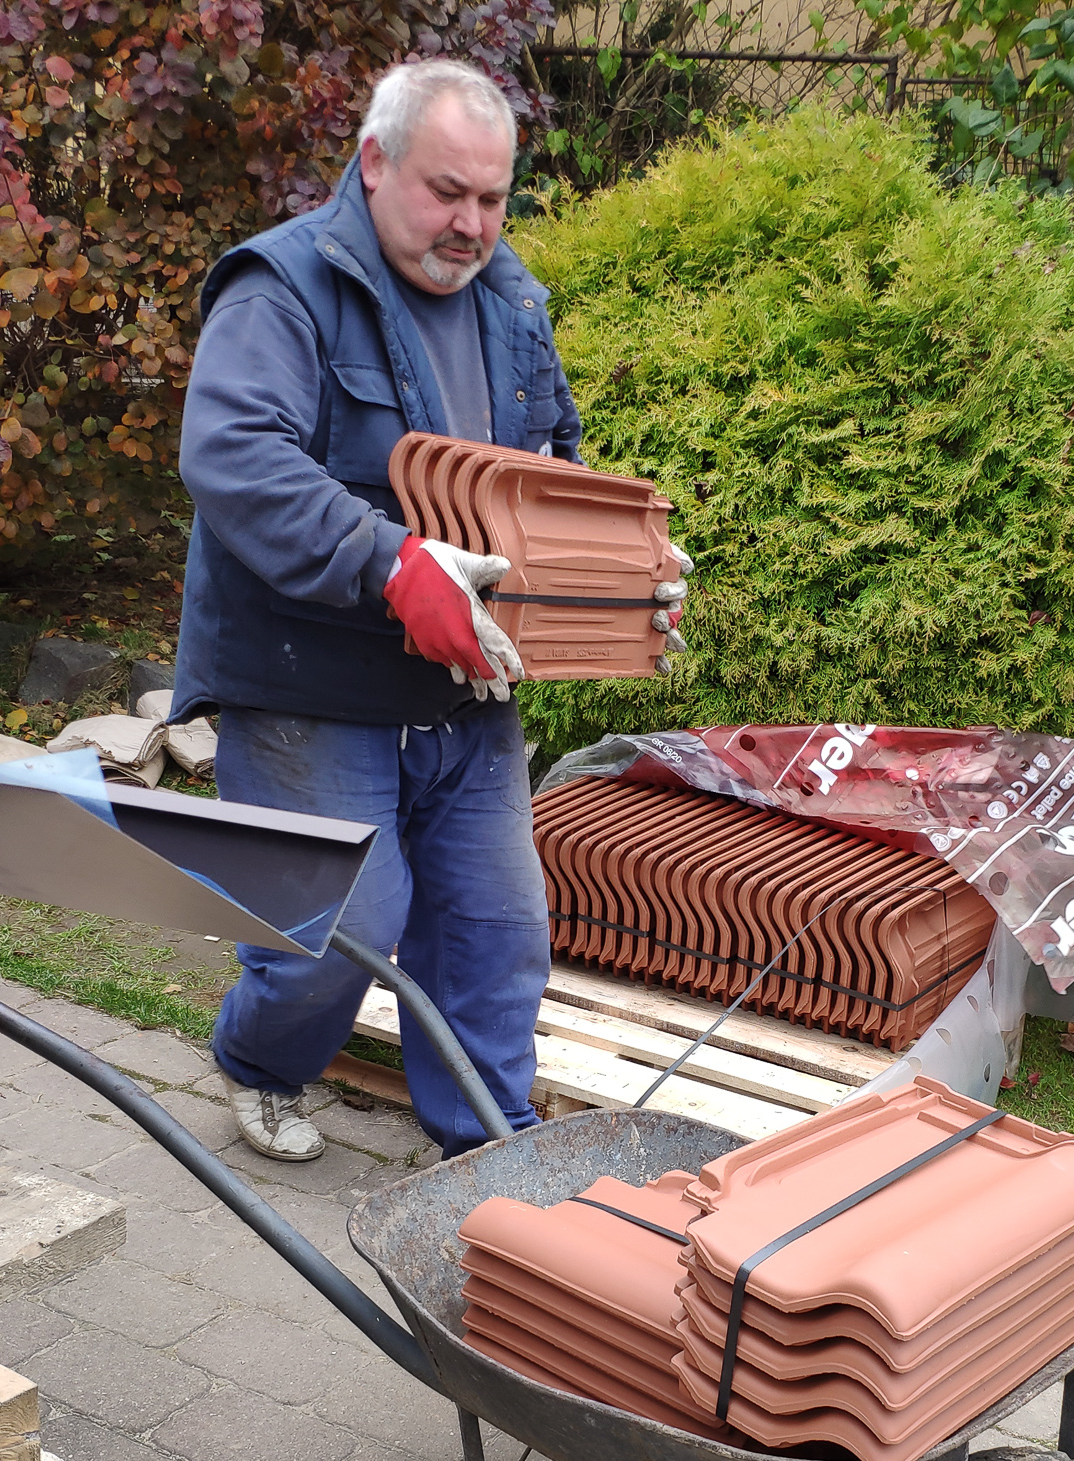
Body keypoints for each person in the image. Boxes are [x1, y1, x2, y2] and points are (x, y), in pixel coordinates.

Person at [172, 61, 667, 1162]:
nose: (472, 225)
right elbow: (235, 456)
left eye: (492, 199)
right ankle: (261, 1063)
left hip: (463, 689)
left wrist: (623, 568)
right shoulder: (282, 286)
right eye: (448, 192)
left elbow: (550, 470)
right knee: (341, 933)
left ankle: (486, 1146)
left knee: (497, 930)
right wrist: (393, 565)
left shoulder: (511, 301)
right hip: (310, 679)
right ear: (374, 162)